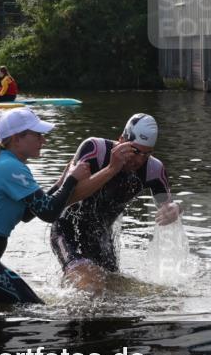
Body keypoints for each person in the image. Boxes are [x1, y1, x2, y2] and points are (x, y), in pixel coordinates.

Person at [0, 107, 129, 304]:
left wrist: (63, 180)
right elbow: (49, 213)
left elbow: (29, 213)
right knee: (34, 308)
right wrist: (72, 180)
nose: (43, 140)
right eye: (37, 135)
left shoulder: (3, 161)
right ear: (17, 138)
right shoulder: (10, 167)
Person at [50, 113, 181, 294]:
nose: (139, 160)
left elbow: (167, 206)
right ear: (121, 140)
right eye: (135, 151)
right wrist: (112, 168)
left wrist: (175, 209)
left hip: (101, 238)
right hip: (67, 230)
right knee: (89, 285)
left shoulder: (153, 169)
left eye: (146, 153)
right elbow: (67, 198)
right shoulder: (95, 149)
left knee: (114, 293)